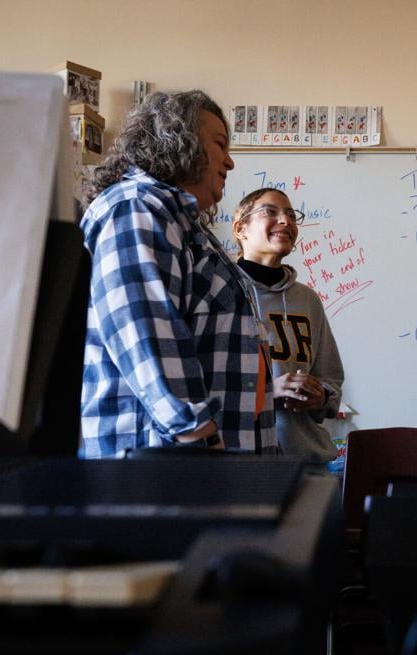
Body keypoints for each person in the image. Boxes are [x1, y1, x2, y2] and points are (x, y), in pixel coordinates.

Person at [79, 90, 277, 458]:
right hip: (162, 476)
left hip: (202, 471)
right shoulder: (137, 207)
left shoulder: (182, 224)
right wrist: (199, 440)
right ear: (179, 139)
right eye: (220, 144)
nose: (230, 162)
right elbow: (144, 329)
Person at [232, 188, 345, 463]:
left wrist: (321, 396)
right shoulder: (222, 291)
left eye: (292, 216)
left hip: (306, 462)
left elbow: (332, 381)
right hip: (243, 463)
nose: (286, 221)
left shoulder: (307, 300)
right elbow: (205, 384)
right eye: (270, 212)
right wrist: (268, 392)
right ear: (240, 228)